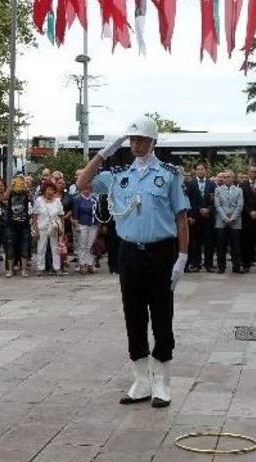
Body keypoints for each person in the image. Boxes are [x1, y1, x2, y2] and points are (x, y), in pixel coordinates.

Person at [76, 117, 189, 409]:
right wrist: (103, 152)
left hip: (160, 252)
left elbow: (181, 217)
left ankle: (162, 380)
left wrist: (182, 257)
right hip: (129, 252)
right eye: (131, 140)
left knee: (162, 315)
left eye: (141, 139)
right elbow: (82, 182)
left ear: (153, 142)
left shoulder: (169, 174)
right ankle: (141, 380)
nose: (135, 144)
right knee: (133, 315)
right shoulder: (119, 173)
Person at [186, 162, 215, 272]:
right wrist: (193, 214)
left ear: (206, 170)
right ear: (195, 171)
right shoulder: (190, 184)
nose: (200, 171)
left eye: (202, 169)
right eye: (198, 169)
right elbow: (188, 201)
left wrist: (209, 209)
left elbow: (216, 200)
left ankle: (209, 264)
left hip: (208, 217)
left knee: (209, 242)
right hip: (195, 217)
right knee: (195, 242)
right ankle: (196, 264)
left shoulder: (212, 184)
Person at [32, 181, 64, 276]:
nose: (50, 191)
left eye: (52, 189)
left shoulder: (57, 201)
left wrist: (62, 230)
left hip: (54, 228)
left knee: (55, 248)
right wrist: (36, 229)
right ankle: (40, 268)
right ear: (44, 190)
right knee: (41, 248)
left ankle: (57, 268)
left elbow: (61, 216)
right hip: (42, 227)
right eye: (48, 189)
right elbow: (35, 216)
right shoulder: (39, 200)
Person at [214, 171, 244, 274]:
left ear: (233, 178)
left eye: (228, 177)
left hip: (235, 222)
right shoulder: (218, 190)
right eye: (225, 177)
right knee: (221, 246)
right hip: (221, 221)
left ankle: (236, 266)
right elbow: (217, 205)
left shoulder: (239, 190)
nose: (226, 179)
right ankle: (221, 267)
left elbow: (240, 206)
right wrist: (225, 218)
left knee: (236, 246)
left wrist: (232, 218)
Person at [4, 176, 32, 277]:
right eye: (17, 183)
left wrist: (26, 187)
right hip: (11, 224)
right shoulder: (11, 193)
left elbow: (31, 198)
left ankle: (24, 270)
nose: (18, 184)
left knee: (24, 246)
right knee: (10, 247)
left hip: (24, 224)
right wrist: (10, 187)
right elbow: (5, 197)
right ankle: (10, 270)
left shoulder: (25, 193)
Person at [73, 185, 99, 273]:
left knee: (90, 245)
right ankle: (82, 264)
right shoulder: (77, 199)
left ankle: (90, 263)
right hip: (82, 224)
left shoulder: (94, 199)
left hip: (93, 224)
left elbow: (98, 212)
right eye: (84, 189)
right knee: (82, 245)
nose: (86, 191)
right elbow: (75, 213)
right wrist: (76, 224)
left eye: (88, 189)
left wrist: (99, 224)